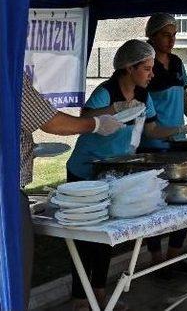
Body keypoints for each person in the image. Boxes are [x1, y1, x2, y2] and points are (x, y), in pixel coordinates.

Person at [66, 39, 187, 311]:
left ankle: (99, 297)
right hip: (84, 171)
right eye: (147, 68)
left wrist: (183, 128)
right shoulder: (105, 92)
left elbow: (152, 130)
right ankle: (80, 300)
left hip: (112, 170)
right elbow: (86, 120)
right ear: (129, 68)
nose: (152, 74)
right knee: (84, 237)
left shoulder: (144, 95)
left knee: (106, 237)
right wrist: (117, 109)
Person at [19, 74, 123, 309]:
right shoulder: (6, 71)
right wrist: (97, 124)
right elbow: (52, 122)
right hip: (8, 190)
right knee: (14, 268)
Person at [139, 13, 187, 272]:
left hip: (178, 141)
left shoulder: (177, 63)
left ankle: (174, 256)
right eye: (166, 34)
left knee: (183, 200)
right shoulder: (146, 65)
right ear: (152, 36)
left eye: (174, 34)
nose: (172, 39)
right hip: (152, 141)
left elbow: (185, 101)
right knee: (155, 203)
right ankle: (156, 259)